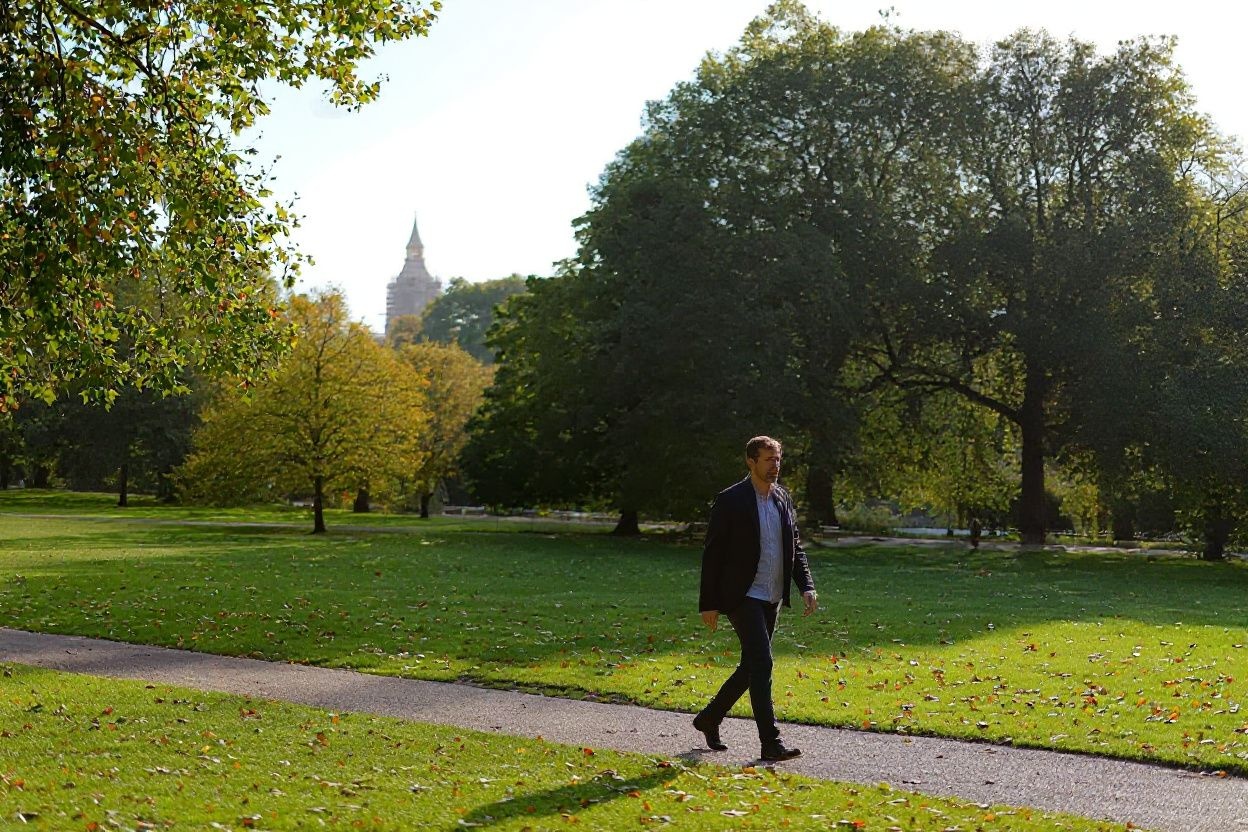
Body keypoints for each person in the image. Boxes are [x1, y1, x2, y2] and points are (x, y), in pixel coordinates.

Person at [694, 435, 817, 761]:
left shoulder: (783, 499)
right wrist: (708, 602)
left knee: (751, 667)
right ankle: (770, 742)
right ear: (751, 461)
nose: (775, 466)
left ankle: (709, 718)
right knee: (762, 663)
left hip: (771, 595)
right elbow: (713, 553)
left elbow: (795, 547)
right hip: (742, 594)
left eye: (778, 460)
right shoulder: (731, 500)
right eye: (768, 460)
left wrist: (806, 585)